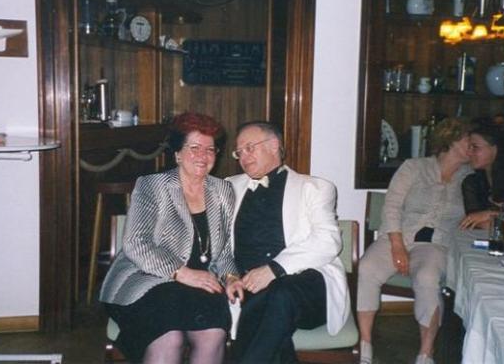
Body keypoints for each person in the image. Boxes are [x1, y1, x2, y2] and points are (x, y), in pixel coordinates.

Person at [99, 112, 239, 364]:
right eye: (194, 148)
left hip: (200, 284)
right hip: (146, 281)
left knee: (213, 333)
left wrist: (231, 277)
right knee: (169, 337)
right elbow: (136, 243)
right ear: (177, 153)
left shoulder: (223, 191)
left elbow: (225, 251)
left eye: (210, 149)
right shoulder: (153, 186)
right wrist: (181, 272)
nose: (203, 155)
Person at [224, 121, 350, 364]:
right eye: (239, 152)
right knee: (271, 310)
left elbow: (328, 241)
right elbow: (218, 244)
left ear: (274, 145)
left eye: (249, 148)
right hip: (247, 286)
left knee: (279, 294)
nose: (243, 157)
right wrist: (229, 275)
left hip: (306, 284)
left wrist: (274, 269)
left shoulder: (315, 187)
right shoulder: (229, 187)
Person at [357, 118, 472, 364]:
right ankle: (365, 344)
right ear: (451, 140)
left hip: (436, 245)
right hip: (398, 236)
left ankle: (426, 352)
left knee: (427, 278)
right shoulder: (414, 167)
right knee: (367, 267)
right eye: (467, 141)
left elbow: (480, 212)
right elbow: (392, 206)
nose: (472, 146)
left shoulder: (470, 177)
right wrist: (398, 246)